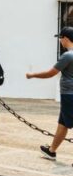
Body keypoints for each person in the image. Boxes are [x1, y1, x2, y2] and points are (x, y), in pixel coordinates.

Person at [26, 26, 73, 162]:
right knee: (62, 124)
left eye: (60, 38)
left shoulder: (68, 55)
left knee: (66, 123)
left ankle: (52, 151)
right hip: (69, 94)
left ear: (65, 38)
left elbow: (50, 73)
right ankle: (51, 151)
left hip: (69, 94)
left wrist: (32, 75)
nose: (60, 41)